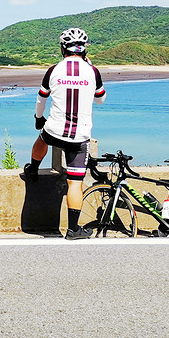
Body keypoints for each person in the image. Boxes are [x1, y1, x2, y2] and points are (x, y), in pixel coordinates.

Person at [22, 27, 106, 240]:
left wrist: (38, 119)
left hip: (55, 129)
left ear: (62, 49)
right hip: (79, 136)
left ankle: (33, 168)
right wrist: (90, 66)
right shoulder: (92, 71)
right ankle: (73, 229)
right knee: (74, 183)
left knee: (42, 137)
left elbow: (41, 99)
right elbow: (100, 99)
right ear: (84, 50)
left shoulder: (53, 70)